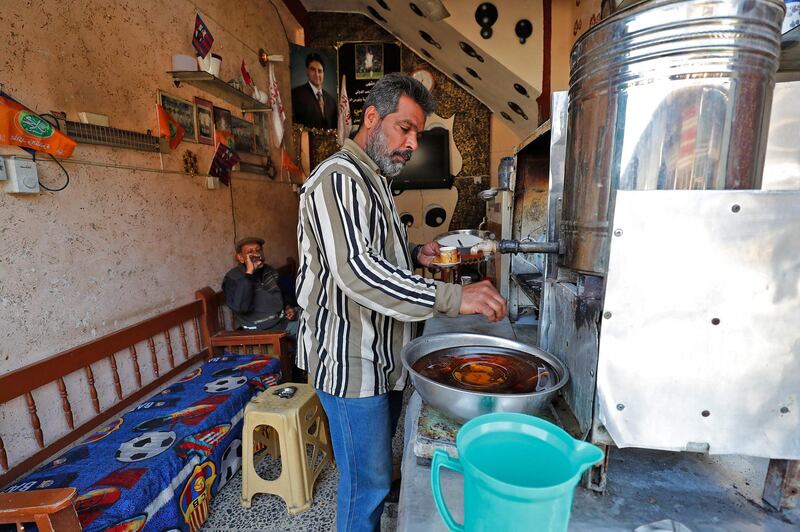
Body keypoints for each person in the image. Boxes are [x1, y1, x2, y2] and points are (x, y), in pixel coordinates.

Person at [295, 73, 507, 532]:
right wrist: (454, 296)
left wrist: (415, 254)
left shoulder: (374, 181)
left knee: (374, 478)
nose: (411, 143)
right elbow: (358, 273)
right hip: (353, 367)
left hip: (381, 361)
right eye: (404, 128)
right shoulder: (338, 179)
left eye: (417, 133)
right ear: (371, 118)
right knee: (365, 488)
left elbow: (374, 254)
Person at [222, 237, 298, 337]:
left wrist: (287, 307)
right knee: (312, 329)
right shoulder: (232, 279)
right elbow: (242, 308)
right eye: (250, 252)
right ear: (240, 258)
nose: (257, 254)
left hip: (282, 320)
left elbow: (282, 293)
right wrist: (249, 273)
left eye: (258, 250)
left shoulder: (269, 270)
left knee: (316, 315)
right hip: (263, 330)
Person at [291, 52, 337, 129]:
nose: (317, 74)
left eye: (320, 71)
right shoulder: (296, 94)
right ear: (307, 71)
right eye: (313, 70)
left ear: (323, 73)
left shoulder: (331, 101)